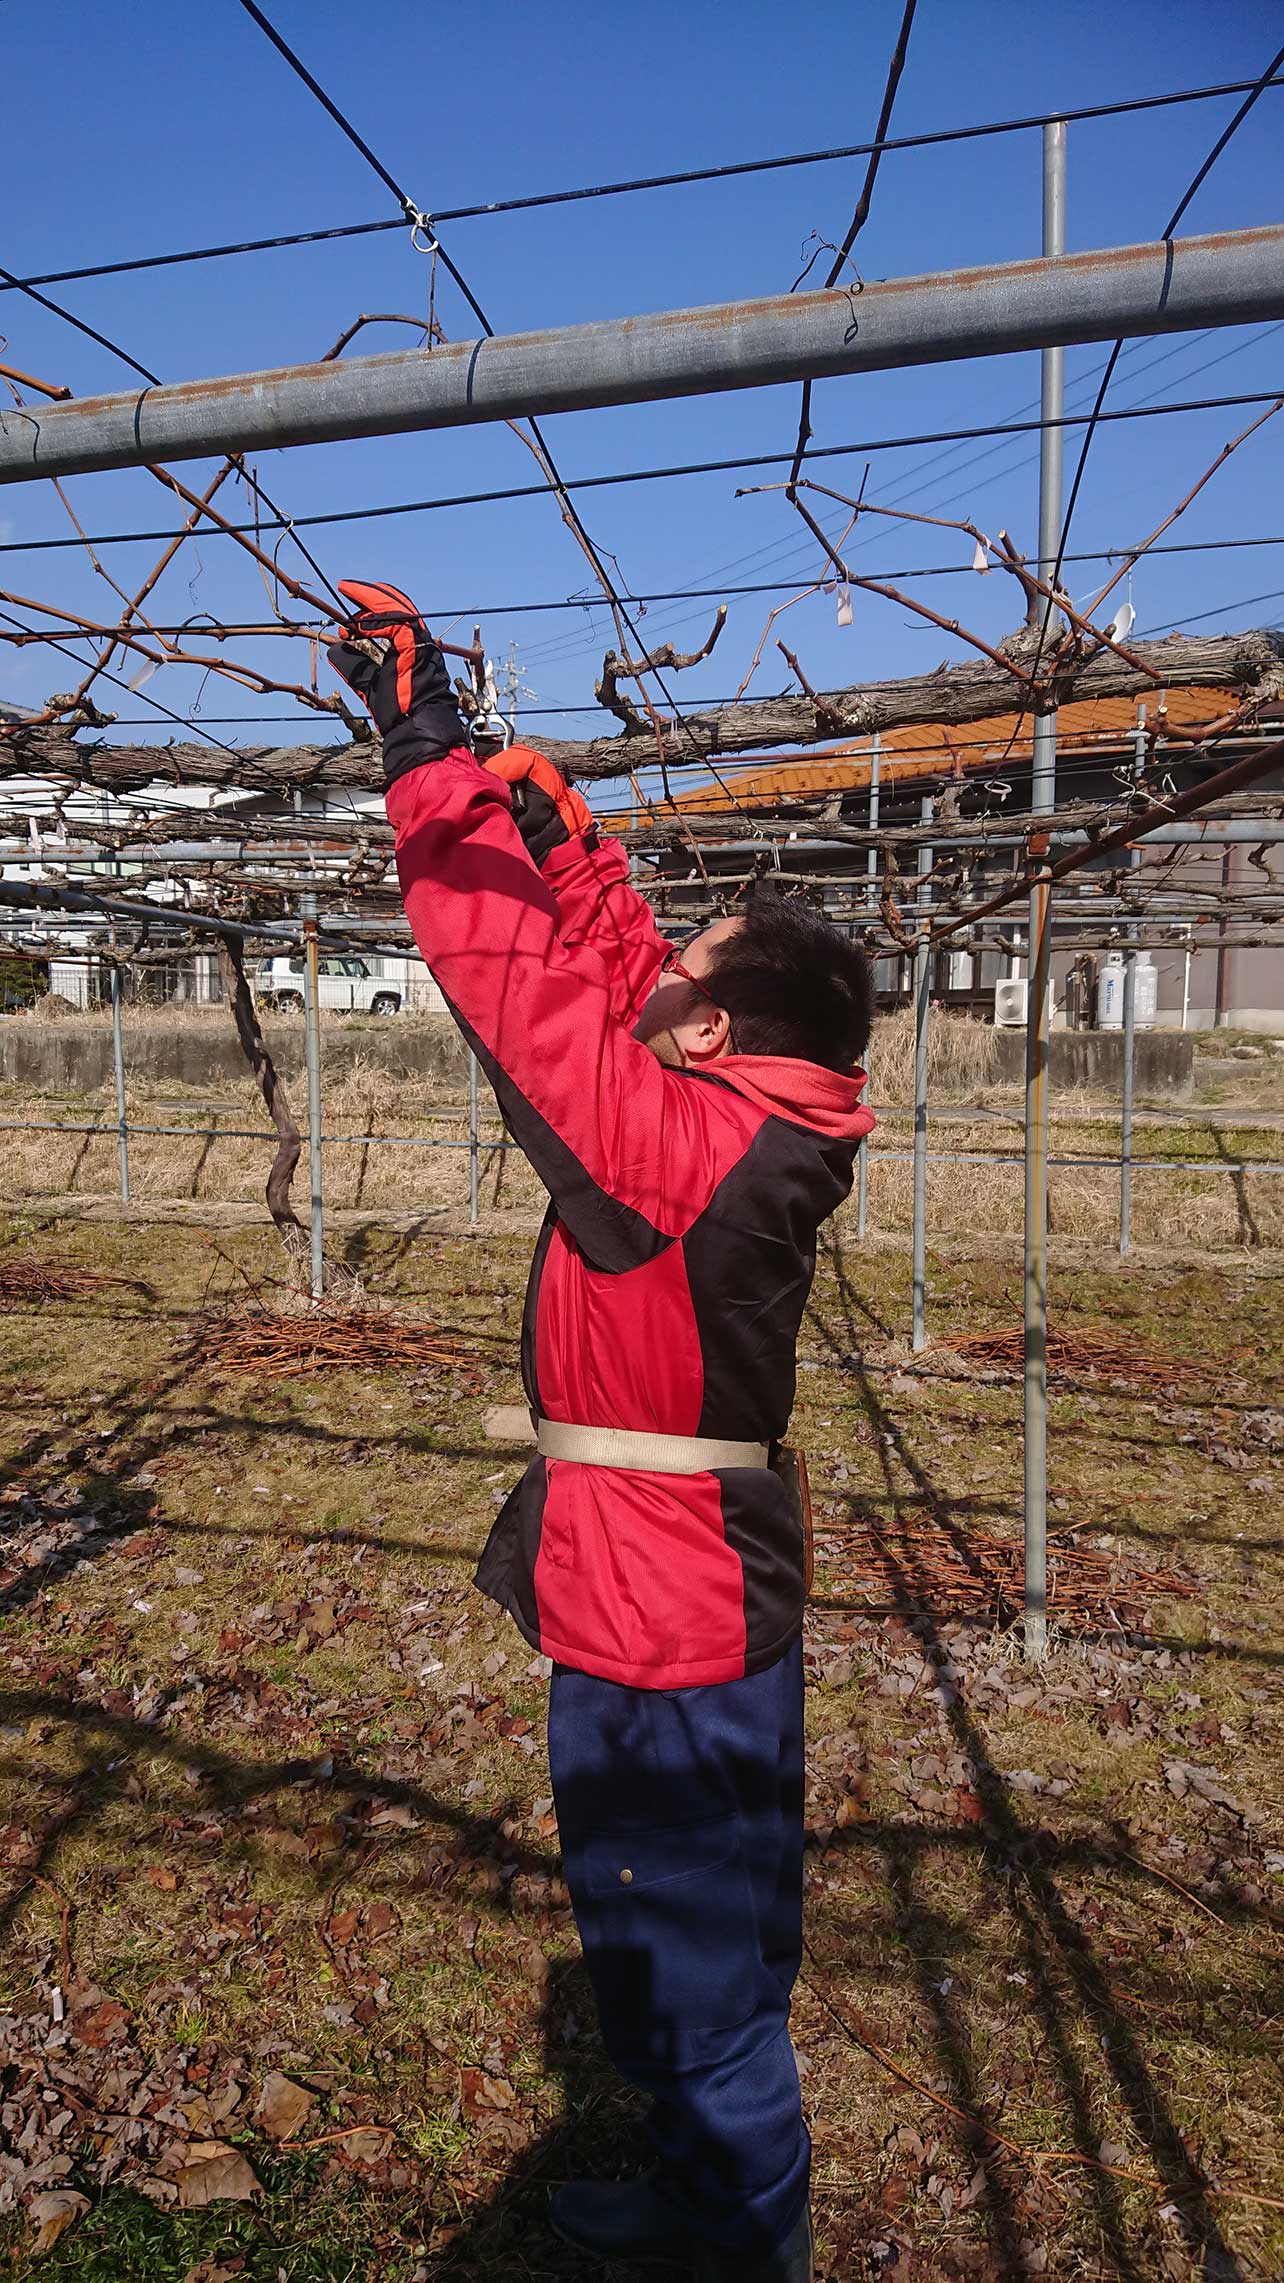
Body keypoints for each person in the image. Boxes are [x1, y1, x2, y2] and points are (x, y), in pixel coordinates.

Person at [329, 581, 876, 2283]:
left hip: (667, 1614)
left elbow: (512, 986)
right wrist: (571, 850)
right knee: (668, 1929)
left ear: (715, 1039)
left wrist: (423, 746)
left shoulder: (689, 1145)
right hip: (667, 1581)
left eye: (691, 976)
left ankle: (744, 2245)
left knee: (689, 1945)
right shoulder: (742, 1114)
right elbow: (618, 971)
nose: (663, 973)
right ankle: (700, 2193)